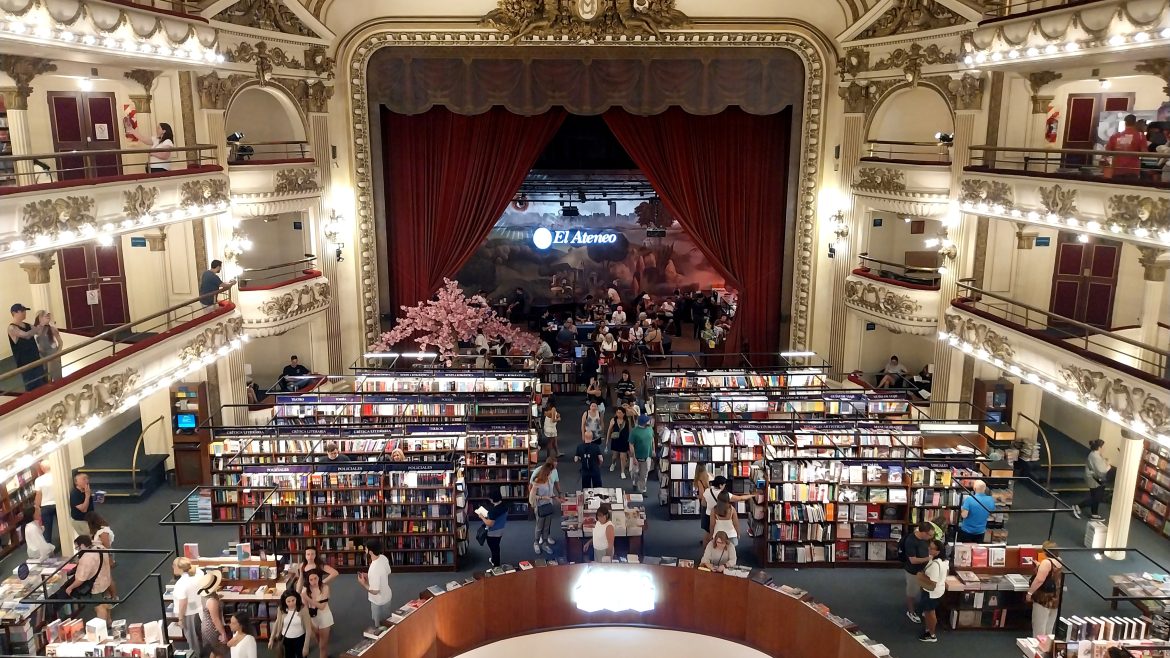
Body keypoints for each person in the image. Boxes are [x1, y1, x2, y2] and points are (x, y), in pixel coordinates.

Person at [67, 534, 113, 623]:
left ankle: (102, 628)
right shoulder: (100, 547)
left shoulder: (87, 557)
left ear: (83, 545)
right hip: (105, 579)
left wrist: (70, 588)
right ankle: (109, 621)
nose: (77, 550)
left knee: (99, 607)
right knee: (105, 602)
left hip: (96, 585)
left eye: (77, 547)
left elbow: (81, 579)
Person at [1026, 541, 1063, 639]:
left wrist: (1029, 593)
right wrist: (1039, 566)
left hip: (1043, 599)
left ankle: (1038, 651)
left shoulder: (1046, 562)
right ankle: (1047, 649)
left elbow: (1039, 580)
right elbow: (1052, 574)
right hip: (1055, 599)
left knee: (1039, 627)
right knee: (1049, 628)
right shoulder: (1059, 560)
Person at [900, 522, 934, 624]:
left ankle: (922, 608)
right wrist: (928, 558)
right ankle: (910, 612)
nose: (931, 537)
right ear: (923, 533)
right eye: (930, 535)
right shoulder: (911, 541)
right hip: (913, 572)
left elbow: (928, 549)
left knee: (925, 590)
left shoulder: (925, 539)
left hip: (925, 570)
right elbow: (913, 560)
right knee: (912, 593)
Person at [916, 539, 947, 642]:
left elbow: (932, 581)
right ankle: (929, 628)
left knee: (930, 612)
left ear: (938, 552)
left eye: (932, 548)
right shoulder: (942, 561)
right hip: (938, 590)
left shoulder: (934, 565)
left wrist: (922, 577)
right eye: (929, 546)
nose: (929, 549)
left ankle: (931, 634)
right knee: (929, 611)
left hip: (931, 592)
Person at [8, 303, 46, 391]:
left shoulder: (27, 325)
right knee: (31, 385)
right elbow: (26, 335)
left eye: (25, 310)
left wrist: (42, 322)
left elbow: (39, 332)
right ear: (15, 313)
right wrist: (38, 327)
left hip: (35, 358)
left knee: (41, 382)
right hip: (25, 363)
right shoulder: (11, 328)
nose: (25, 312)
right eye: (22, 311)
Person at [173, 557, 205, 656]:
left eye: (174, 566)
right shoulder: (199, 573)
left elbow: (183, 603)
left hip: (189, 615)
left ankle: (196, 656)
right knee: (202, 636)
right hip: (200, 610)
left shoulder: (181, 584)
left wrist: (180, 619)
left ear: (180, 568)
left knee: (193, 640)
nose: (172, 568)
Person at [358, 540, 392, 629]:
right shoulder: (383, 558)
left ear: (370, 552)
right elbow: (387, 572)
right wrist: (369, 576)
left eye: (366, 549)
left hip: (378, 601)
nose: (365, 551)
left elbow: (375, 591)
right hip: (387, 595)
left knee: (379, 625)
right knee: (387, 619)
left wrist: (363, 584)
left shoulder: (374, 569)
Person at [1075, 439, 1111, 520]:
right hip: (1094, 478)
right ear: (1099, 447)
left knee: (1095, 496)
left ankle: (1094, 514)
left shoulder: (1094, 454)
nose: (1104, 449)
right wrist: (1108, 467)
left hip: (1093, 477)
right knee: (1096, 497)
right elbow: (1101, 471)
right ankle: (1078, 506)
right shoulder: (1095, 456)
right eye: (1103, 447)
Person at [300, 569, 332, 658]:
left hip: (325, 617)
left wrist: (308, 598)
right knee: (319, 641)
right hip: (313, 617)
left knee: (322, 646)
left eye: (315, 578)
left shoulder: (325, 587)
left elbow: (322, 607)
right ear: (308, 580)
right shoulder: (305, 590)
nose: (314, 582)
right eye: (311, 579)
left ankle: (323, 653)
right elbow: (305, 609)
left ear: (319, 578)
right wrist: (309, 623)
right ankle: (324, 654)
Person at [271, 590, 313, 658]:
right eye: (288, 601)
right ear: (284, 602)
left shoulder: (303, 609)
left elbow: (308, 629)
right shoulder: (281, 609)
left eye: (293, 600)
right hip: (286, 639)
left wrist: (306, 646)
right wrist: (271, 638)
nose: (291, 603)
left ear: (297, 598)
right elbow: (277, 622)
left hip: (300, 639)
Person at [1106, 114, 1149, 178]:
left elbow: (1107, 152)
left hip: (1117, 168)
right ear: (1135, 123)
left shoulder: (1115, 136)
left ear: (1125, 123)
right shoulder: (1140, 136)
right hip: (1133, 169)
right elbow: (1144, 153)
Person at [530, 461, 558, 555]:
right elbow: (532, 497)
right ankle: (536, 542)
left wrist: (557, 499)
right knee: (539, 527)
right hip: (540, 507)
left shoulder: (548, 480)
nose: (551, 474)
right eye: (550, 472)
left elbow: (551, 493)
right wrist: (542, 497)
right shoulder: (537, 481)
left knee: (546, 527)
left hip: (548, 506)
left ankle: (545, 543)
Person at [197, 570, 229, 648]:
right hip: (213, 629)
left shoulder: (207, 596)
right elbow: (215, 619)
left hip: (207, 626)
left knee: (214, 652)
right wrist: (223, 633)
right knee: (220, 651)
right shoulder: (212, 601)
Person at [478, 489, 509, 567]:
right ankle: (494, 560)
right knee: (496, 546)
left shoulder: (493, 511)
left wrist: (482, 517)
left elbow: (490, 523)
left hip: (493, 532)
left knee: (493, 548)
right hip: (501, 530)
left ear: (492, 498)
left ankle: (496, 565)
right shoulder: (504, 505)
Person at [32, 311, 62, 382]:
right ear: (39, 318)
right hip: (42, 356)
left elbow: (60, 343)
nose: (48, 317)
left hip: (53, 355)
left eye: (48, 316)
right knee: (45, 378)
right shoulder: (34, 330)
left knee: (57, 378)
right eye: (45, 316)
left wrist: (58, 354)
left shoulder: (52, 329)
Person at [32, 460, 56, 547]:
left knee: (47, 528)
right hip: (58, 503)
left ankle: (48, 548)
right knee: (63, 525)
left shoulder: (39, 480)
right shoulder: (57, 476)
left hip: (46, 505)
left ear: (42, 469)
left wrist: (37, 507)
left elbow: (39, 494)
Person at [629, 414, 654, 495]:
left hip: (647, 456)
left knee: (644, 474)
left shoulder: (650, 429)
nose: (650, 421)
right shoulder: (634, 431)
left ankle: (642, 490)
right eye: (648, 420)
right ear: (644, 422)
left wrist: (653, 449)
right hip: (636, 456)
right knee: (634, 472)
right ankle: (635, 482)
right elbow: (631, 445)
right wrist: (634, 457)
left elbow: (652, 439)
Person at [605, 406, 631, 478]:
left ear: (623, 414)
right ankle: (613, 463)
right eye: (617, 412)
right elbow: (609, 430)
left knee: (623, 457)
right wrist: (607, 440)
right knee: (614, 456)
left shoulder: (627, 421)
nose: (618, 414)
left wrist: (630, 441)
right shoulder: (613, 420)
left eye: (620, 412)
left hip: (624, 441)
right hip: (616, 440)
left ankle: (622, 472)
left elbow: (630, 431)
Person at [69, 472, 95, 537]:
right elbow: (83, 509)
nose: (87, 481)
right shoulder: (75, 494)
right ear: (76, 482)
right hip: (81, 522)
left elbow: (89, 504)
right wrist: (87, 496)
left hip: (89, 520)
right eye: (84, 479)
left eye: (87, 478)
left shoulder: (85, 491)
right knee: (89, 540)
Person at [695, 465, 712, 543]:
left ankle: (707, 540)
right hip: (710, 501)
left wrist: (696, 496)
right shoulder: (707, 477)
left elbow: (702, 495)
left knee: (706, 524)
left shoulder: (699, 481)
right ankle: (710, 538)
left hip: (704, 503)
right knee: (710, 521)